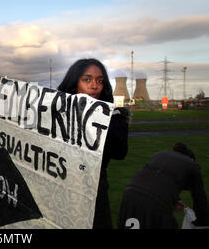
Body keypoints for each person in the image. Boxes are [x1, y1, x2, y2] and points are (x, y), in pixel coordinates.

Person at [57, 58, 129, 229]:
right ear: (75, 84)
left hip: (93, 192)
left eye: (100, 80)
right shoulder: (58, 112)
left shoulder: (114, 116)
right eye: (87, 79)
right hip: (60, 187)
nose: (94, 86)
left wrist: (95, 117)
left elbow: (120, 151)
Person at [118, 142, 209, 229]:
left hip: (129, 195)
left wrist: (175, 200)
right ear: (191, 159)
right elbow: (200, 198)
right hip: (157, 203)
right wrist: (202, 222)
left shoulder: (159, 155)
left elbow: (157, 178)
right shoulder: (192, 165)